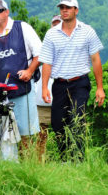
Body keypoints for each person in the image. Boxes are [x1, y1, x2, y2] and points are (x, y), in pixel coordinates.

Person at [39, 0, 105, 159]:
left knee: (77, 119)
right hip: (59, 83)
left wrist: (100, 88)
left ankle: (79, 158)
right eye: (62, 7)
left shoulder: (87, 31)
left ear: (76, 10)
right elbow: (46, 62)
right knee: (57, 123)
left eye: (68, 7)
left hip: (80, 82)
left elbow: (95, 59)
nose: (64, 10)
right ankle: (64, 157)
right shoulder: (51, 34)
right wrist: (44, 87)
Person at [0, 0, 41, 156]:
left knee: (26, 133)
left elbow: (40, 54)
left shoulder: (22, 27)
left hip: (22, 90)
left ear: (7, 12)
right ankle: (8, 170)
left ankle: (29, 168)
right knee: (2, 136)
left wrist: (29, 71)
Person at [35, 15, 62, 162]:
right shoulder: (41, 46)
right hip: (41, 100)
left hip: (62, 99)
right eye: (55, 25)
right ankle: (40, 163)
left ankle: (66, 162)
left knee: (63, 134)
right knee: (41, 134)